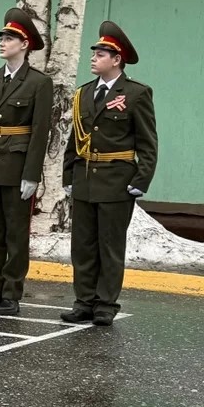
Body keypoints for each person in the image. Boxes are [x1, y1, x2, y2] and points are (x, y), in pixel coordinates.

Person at [61, 21, 157, 326]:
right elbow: (75, 140)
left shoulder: (136, 93)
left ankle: (105, 304)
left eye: (100, 54)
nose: (93, 58)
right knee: (83, 247)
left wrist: (141, 180)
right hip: (85, 179)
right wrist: (68, 177)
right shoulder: (83, 93)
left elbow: (147, 142)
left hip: (117, 180)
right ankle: (84, 302)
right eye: (94, 53)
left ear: (117, 59)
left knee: (110, 246)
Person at [0, 8, 53, 316]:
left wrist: (32, 174)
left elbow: (40, 132)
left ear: (25, 44)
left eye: (10, 38)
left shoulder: (39, 83)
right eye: (2, 37)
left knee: (16, 235)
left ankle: (11, 293)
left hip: (17, 168)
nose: (2, 42)